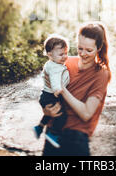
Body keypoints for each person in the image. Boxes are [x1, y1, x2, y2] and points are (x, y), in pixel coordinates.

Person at [41, 22, 111, 156]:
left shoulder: (101, 74)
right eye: (80, 48)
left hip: (77, 136)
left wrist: (62, 89)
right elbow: (48, 92)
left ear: (99, 48)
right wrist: (46, 110)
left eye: (89, 50)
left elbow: (86, 113)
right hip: (52, 131)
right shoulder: (65, 63)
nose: (83, 54)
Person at [33, 34, 70, 148]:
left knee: (50, 114)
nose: (64, 56)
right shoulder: (54, 67)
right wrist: (58, 90)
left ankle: (39, 127)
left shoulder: (53, 63)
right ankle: (53, 134)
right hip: (51, 95)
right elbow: (54, 80)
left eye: (66, 53)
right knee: (61, 115)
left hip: (46, 95)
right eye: (60, 54)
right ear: (50, 55)